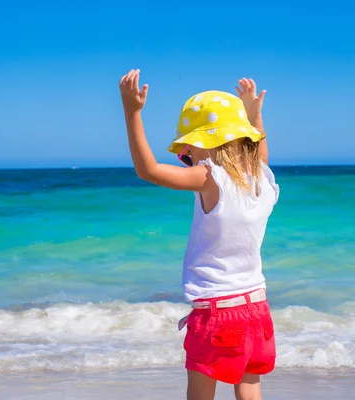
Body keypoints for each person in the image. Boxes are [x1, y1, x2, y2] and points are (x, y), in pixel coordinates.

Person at [119, 69, 279, 400]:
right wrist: (254, 114)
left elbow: (148, 171)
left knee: (201, 395)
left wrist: (131, 111)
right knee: (250, 390)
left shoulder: (210, 177)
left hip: (218, 313)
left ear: (204, 144)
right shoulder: (262, 178)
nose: (186, 157)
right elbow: (259, 150)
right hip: (257, 308)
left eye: (186, 151)